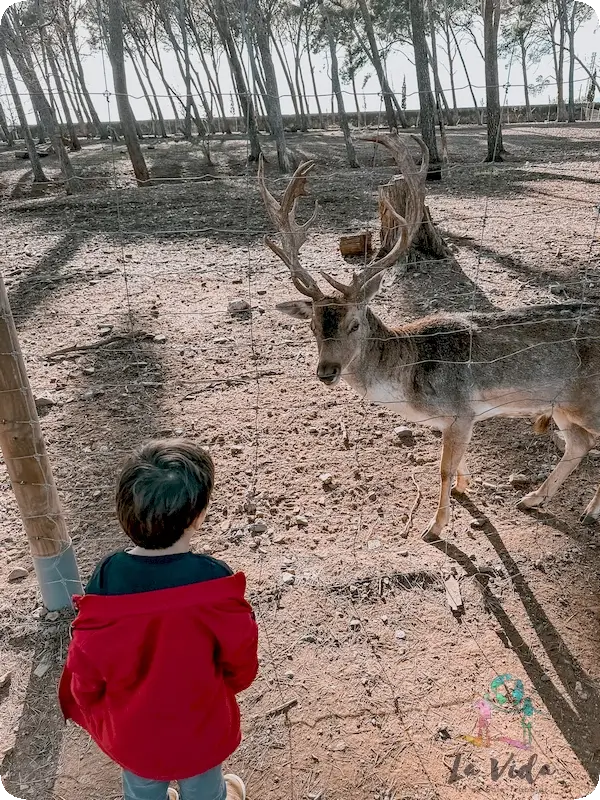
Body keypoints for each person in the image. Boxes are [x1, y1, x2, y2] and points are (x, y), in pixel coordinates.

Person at [58, 439, 259, 800]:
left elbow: (85, 661)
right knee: (205, 787)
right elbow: (240, 656)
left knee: (141, 787)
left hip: (135, 735)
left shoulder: (106, 580)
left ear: (124, 512)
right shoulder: (215, 582)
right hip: (202, 727)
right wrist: (232, 683)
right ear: (197, 516)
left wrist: (87, 700)